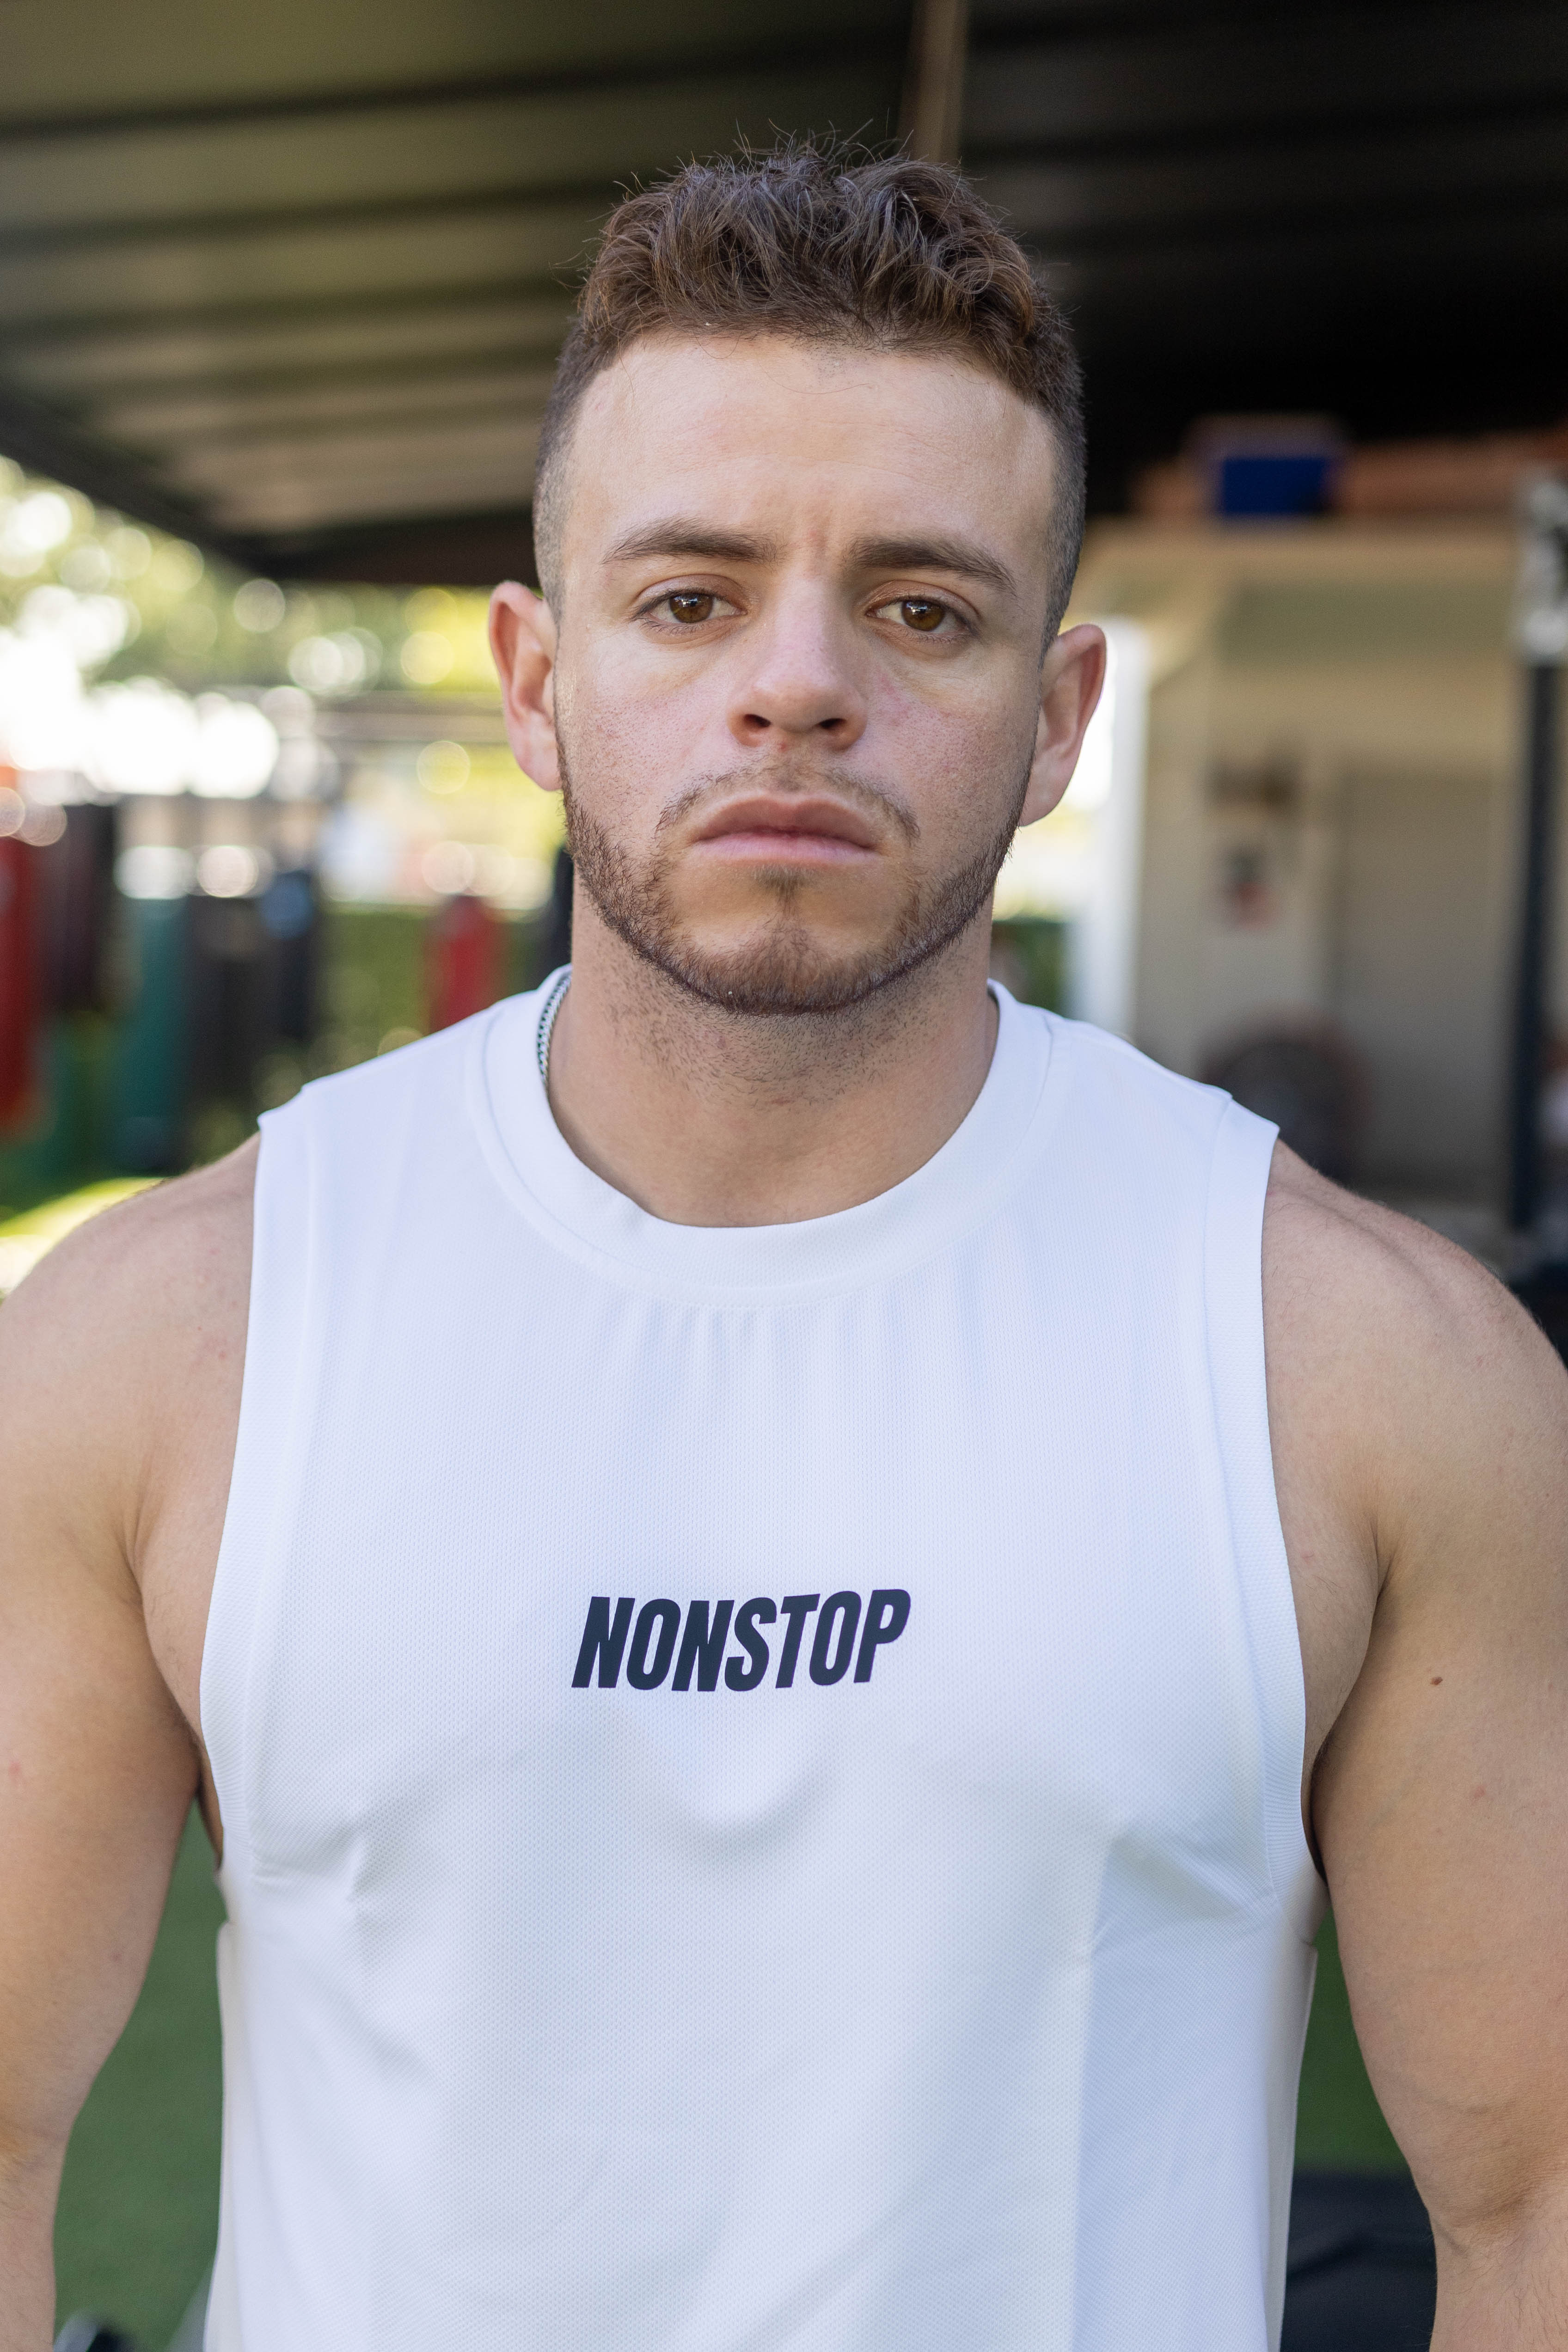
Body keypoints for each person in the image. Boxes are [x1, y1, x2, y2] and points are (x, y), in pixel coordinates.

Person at [2, 145, 1566, 2352]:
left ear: (1056, 717)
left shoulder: (1361, 1365)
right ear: (534, 680)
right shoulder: (166, 1342)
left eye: (918, 608)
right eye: (689, 598)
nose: (797, 689)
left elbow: (1534, 2211)